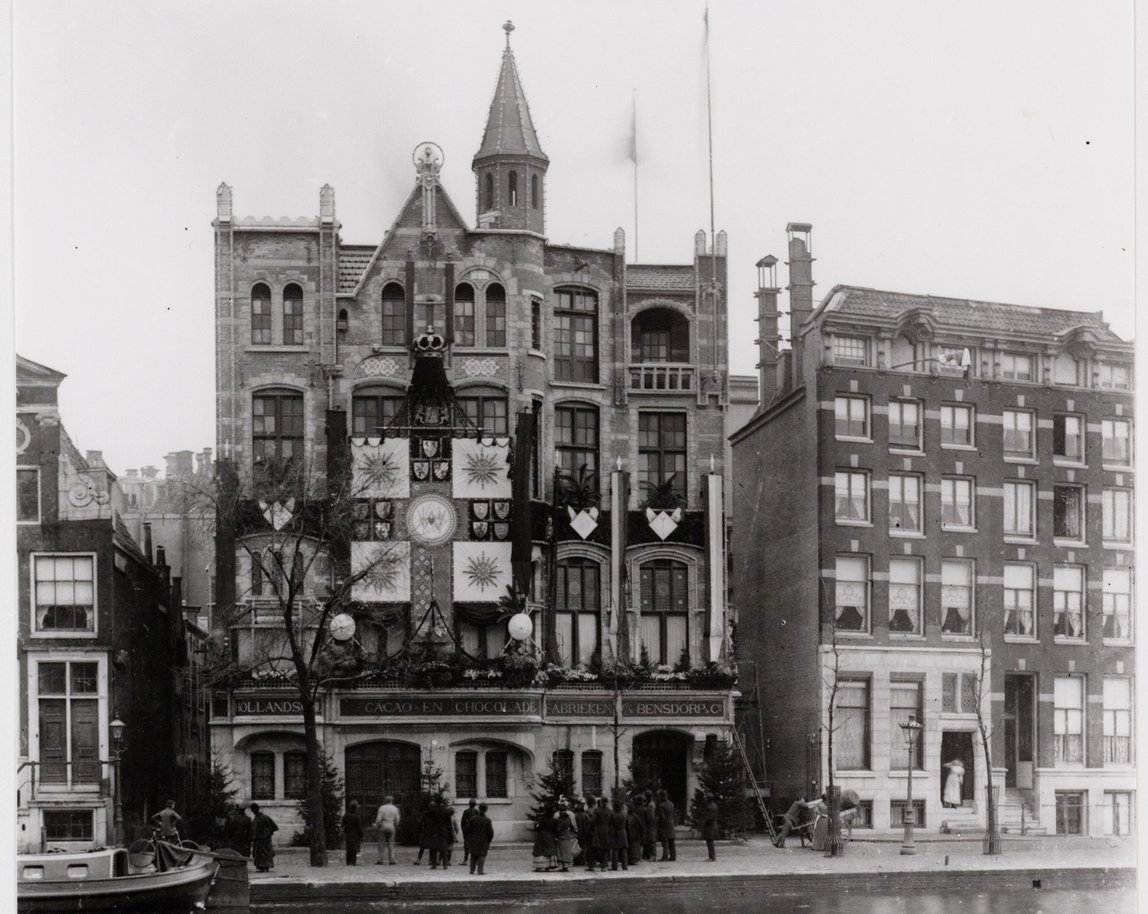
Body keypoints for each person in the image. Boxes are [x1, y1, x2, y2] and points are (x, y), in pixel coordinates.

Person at [466, 802, 494, 875]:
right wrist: (489, 840)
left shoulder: (473, 819)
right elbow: (490, 832)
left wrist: (470, 837)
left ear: (479, 808)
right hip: (483, 840)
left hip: (474, 839)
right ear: (486, 810)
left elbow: (468, 829)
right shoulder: (487, 820)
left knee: (473, 855)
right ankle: (480, 870)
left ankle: (472, 870)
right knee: (481, 855)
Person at [249, 803, 278, 872]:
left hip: (264, 840)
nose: (253, 811)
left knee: (264, 853)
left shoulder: (264, 817)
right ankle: (261, 866)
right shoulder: (256, 819)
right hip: (259, 840)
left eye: (254, 810)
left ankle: (265, 866)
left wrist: (267, 834)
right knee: (259, 853)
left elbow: (273, 827)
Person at [375, 795, 400, 865]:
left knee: (381, 843)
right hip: (391, 826)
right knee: (391, 843)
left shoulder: (381, 808)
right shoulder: (395, 809)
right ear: (392, 801)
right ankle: (392, 860)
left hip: (383, 826)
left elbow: (378, 819)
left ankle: (380, 859)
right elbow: (397, 820)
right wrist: (395, 825)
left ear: (385, 801)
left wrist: (377, 826)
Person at [587, 797, 611, 873]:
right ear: (607, 803)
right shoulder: (609, 811)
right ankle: (604, 866)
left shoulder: (597, 810)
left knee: (594, 848)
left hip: (597, 831)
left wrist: (591, 828)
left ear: (601, 802)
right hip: (606, 831)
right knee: (605, 849)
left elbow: (592, 821)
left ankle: (591, 866)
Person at [553, 798, 577, 872]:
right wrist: (574, 832)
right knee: (567, 851)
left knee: (562, 851)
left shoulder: (557, 816)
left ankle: (563, 865)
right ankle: (566, 865)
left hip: (561, 836)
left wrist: (555, 835)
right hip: (568, 835)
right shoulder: (570, 816)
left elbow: (556, 828)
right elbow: (573, 826)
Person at [655, 790, 676, 862]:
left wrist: (659, 824)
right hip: (671, 823)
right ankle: (673, 856)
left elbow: (662, 816)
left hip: (665, 825)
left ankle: (665, 857)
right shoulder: (671, 803)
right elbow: (673, 814)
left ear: (661, 796)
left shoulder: (661, 805)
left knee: (665, 841)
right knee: (672, 841)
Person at [609, 798, 629, 871]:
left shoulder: (613, 815)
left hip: (616, 832)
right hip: (623, 832)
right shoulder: (624, 814)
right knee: (624, 850)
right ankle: (625, 866)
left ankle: (615, 866)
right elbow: (627, 824)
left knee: (615, 849)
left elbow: (611, 825)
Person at [343, 800, 364, 866]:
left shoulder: (346, 815)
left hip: (348, 833)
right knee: (354, 848)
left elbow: (343, 824)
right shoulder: (356, 817)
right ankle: (353, 861)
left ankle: (348, 861)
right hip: (355, 834)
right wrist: (362, 834)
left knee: (349, 847)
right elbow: (359, 827)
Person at [700, 792, 720, 861]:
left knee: (709, 842)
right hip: (712, 825)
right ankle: (712, 856)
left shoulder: (710, 807)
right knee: (710, 841)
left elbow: (709, 818)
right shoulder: (713, 805)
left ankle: (711, 857)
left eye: (706, 798)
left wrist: (704, 824)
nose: (705, 799)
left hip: (710, 826)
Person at [625, 800, 645, 867]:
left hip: (633, 834)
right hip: (632, 834)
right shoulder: (632, 816)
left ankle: (633, 859)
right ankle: (631, 859)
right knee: (632, 847)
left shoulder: (633, 816)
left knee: (633, 847)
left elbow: (639, 825)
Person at [573, 799, 591, 867]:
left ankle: (576, 860)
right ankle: (582, 860)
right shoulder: (585, 815)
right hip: (584, 834)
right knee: (583, 847)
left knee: (576, 847)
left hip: (577, 833)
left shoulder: (574, 815)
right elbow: (589, 824)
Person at [460, 799, 478, 866]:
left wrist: (463, 829)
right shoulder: (477, 812)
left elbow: (462, 822)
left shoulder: (466, 811)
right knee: (473, 846)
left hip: (468, 832)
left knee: (467, 847)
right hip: (472, 832)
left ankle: (465, 860)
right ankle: (474, 860)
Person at [641, 791, 658, 861]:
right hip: (649, 824)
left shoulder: (650, 805)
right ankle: (648, 855)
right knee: (648, 840)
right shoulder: (648, 803)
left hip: (650, 824)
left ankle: (653, 856)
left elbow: (650, 817)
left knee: (651, 840)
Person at [444, 802, 459, 867]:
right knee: (450, 848)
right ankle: (448, 861)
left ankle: (442, 860)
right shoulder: (454, 818)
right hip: (452, 834)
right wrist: (457, 832)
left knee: (445, 848)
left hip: (445, 834)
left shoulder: (445, 818)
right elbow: (456, 827)